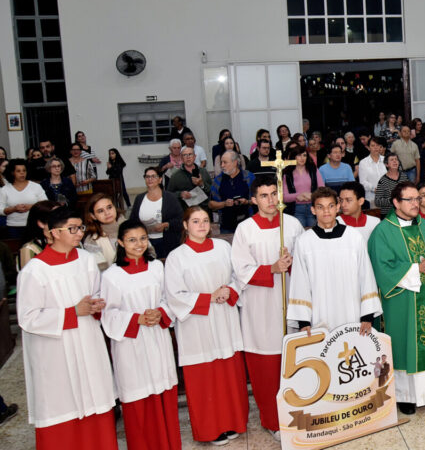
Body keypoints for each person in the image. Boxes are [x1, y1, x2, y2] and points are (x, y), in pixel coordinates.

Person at [17, 208, 116, 450]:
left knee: (95, 398)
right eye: (73, 228)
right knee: (62, 406)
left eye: (81, 227)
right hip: (55, 351)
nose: (79, 233)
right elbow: (27, 318)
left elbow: (97, 293)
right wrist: (71, 313)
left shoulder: (85, 260)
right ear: (53, 233)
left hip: (87, 342)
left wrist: (96, 304)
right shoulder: (35, 270)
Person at [164, 206, 248, 445]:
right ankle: (210, 429)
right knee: (205, 378)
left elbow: (237, 277)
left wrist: (229, 291)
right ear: (185, 226)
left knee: (228, 373)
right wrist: (208, 297)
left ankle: (233, 421)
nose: (201, 225)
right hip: (197, 324)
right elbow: (174, 295)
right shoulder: (177, 256)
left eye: (205, 221)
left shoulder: (223, 247)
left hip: (224, 318)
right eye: (195, 221)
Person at [367, 182, 425, 414]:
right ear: (396, 202)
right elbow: (382, 266)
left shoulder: (424, 226)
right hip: (401, 299)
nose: (417, 203)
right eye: (411, 200)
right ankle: (404, 396)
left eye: (418, 199)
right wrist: (416, 269)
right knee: (404, 343)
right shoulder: (383, 231)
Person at [230, 176, 304, 439]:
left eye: (274, 194)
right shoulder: (245, 230)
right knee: (266, 367)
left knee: (295, 363)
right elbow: (240, 270)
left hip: (290, 303)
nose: (271, 200)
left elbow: (306, 265)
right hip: (260, 307)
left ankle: (298, 415)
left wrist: (293, 261)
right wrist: (272, 268)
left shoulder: (293, 225)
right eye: (264, 195)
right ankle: (272, 420)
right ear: (253, 200)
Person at [99, 219, 180, 450]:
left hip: (157, 338)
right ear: (120, 242)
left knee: (163, 394)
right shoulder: (111, 276)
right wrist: (137, 319)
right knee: (138, 400)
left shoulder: (157, 267)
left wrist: (161, 312)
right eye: (132, 240)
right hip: (130, 345)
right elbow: (108, 314)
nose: (139, 244)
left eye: (143, 238)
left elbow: (169, 298)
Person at [288, 187, 380, 334]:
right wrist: (303, 321)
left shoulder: (354, 237)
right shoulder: (304, 241)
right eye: (320, 207)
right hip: (319, 314)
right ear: (313, 210)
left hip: (352, 312)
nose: (326, 211)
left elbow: (366, 276)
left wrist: (367, 315)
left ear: (337, 207)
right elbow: (300, 282)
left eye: (331, 206)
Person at [129, 167, 183, 258]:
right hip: (146, 243)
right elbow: (132, 220)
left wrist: (166, 224)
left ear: (160, 179)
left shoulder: (170, 198)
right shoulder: (139, 198)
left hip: (166, 242)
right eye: (147, 177)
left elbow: (181, 220)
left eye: (153, 176)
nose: (150, 179)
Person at [209, 151, 254, 234]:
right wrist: (224, 204)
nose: (222, 165)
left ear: (235, 162)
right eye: (221, 163)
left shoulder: (249, 177)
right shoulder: (218, 180)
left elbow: (258, 199)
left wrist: (246, 201)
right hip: (226, 227)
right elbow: (211, 204)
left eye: (225, 162)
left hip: (247, 224)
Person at [2, 159, 47, 239]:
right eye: (18, 171)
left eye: (24, 170)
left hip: (34, 225)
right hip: (13, 227)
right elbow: (1, 210)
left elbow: (45, 204)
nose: (22, 173)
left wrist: (32, 207)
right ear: (12, 173)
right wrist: (14, 209)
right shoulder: (5, 189)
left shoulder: (36, 187)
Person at [82, 193, 125, 271]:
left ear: (115, 207)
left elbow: (149, 253)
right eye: (100, 211)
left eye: (109, 207)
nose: (107, 213)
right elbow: (101, 271)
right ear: (93, 216)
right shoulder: (92, 240)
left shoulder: (132, 226)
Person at [281, 147, 323, 228]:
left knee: (314, 234)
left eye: (304, 155)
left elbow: (322, 189)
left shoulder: (313, 170)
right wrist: (297, 196)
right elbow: (283, 197)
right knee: (298, 236)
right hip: (296, 209)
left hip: (313, 208)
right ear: (294, 157)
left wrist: (312, 195)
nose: (302, 158)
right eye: (299, 155)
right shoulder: (287, 173)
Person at [164, 146, 212, 211]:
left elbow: (212, 191)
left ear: (195, 156)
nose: (188, 157)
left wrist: (202, 184)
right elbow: (168, 195)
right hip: (185, 211)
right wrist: (180, 194)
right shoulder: (175, 176)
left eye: (190, 154)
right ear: (182, 158)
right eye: (185, 155)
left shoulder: (203, 171)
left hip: (204, 209)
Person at [358, 136, 387, 207]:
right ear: (368, 147)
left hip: (387, 197)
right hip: (371, 198)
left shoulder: (386, 160)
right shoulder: (363, 162)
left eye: (378, 145)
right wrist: (374, 189)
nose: (376, 148)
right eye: (373, 145)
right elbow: (363, 182)